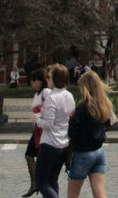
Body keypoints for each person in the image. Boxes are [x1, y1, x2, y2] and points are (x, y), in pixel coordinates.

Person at [67, 70, 115, 198]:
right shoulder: (103, 105)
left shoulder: (82, 108)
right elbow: (108, 125)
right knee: (100, 193)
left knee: (72, 194)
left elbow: (73, 132)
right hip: (99, 152)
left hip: (83, 153)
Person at [35, 63, 75, 198]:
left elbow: (48, 124)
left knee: (41, 182)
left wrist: (37, 119)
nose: (47, 80)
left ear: (56, 79)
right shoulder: (69, 95)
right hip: (63, 143)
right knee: (52, 180)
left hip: (49, 143)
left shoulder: (52, 98)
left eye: (49, 77)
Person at [22, 67, 50, 197]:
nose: (31, 83)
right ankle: (35, 183)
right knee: (29, 155)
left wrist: (40, 114)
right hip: (37, 128)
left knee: (35, 156)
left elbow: (50, 107)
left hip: (43, 129)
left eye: (33, 80)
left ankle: (39, 183)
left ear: (39, 81)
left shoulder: (45, 92)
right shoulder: (37, 93)